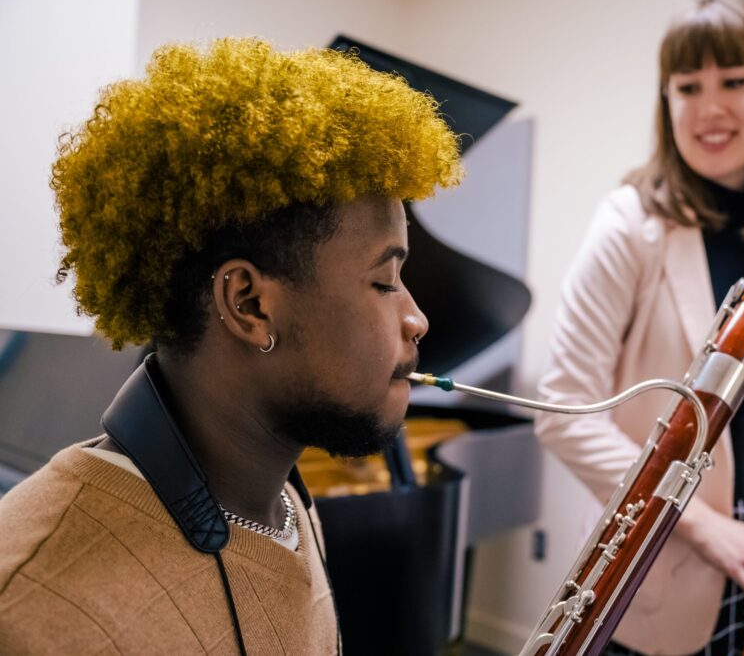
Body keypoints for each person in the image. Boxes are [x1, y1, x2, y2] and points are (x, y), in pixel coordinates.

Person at [0, 37, 461, 653]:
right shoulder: (35, 607)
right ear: (248, 303)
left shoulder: (287, 508)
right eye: (384, 281)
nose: (417, 318)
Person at [535, 0, 744, 656]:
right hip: (663, 561)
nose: (709, 107)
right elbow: (562, 411)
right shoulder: (629, 224)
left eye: (735, 80)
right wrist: (701, 523)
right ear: (665, 101)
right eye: (687, 86)